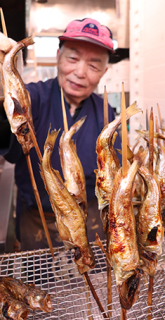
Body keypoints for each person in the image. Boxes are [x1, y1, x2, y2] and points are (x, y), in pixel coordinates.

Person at [0, 18, 122, 251]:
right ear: (58, 57)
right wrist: (1, 85)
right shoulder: (32, 97)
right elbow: (6, 124)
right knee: (38, 284)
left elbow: (112, 173)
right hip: (39, 220)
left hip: (90, 220)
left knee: (88, 281)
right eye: (73, 58)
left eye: (94, 65)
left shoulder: (106, 111)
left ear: (104, 71)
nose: (80, 72)